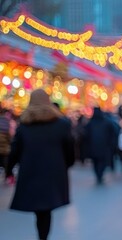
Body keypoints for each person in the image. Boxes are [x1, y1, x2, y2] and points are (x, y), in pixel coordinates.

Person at [6, 89, 75, 240]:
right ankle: (43, 235)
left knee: (39, 209)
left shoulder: (24, 126)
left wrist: (9, 171)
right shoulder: (62, 124)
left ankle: (41, 234)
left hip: (31, 172)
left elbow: (15, 152)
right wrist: (66, 165)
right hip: (53, 172)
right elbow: (70, 148)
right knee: (47, 208)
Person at [84, 107, 117, 184]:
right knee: (102, 161)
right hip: (104, 146)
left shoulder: (90, 123)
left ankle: (98, 175)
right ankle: (100, 174)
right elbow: (113, 134)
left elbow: (86, 135)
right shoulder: (107, 122)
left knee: (96, 162)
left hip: (93, 146)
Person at [0, 108, 11, 178]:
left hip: (3, 148)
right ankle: (7, 176)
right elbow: (9, 137)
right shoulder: (7, 122)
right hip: (5, 149)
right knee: (5, 164)